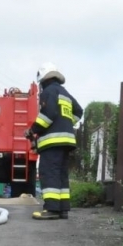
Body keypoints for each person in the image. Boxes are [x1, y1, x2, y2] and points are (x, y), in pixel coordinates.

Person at [28, 63, 80, 219]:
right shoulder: (65, 93)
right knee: (61, 174)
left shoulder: (48, 92)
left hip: (52, 142)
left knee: (49, 173)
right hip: (67, 141)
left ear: (43, 79)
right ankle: (62, 209)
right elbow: (79, 111)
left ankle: (51, 209)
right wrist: (66, 122)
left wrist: (33, 129)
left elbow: (48, 115)